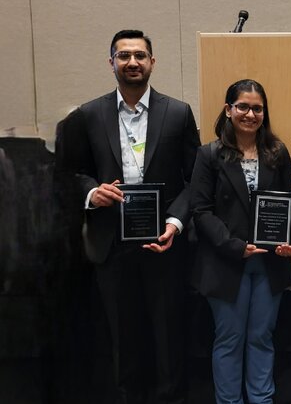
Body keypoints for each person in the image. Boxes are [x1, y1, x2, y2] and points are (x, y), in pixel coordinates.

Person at [62, 29, 200, 403]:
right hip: (112, 244)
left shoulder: (178, 112)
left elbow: (195, 180)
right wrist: (93, 192)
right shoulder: (88, 115)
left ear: (153, 62)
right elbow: (70, 173)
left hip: (164, 244)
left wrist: (174, 222)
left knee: (169, 341)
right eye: (124, 56)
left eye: (140, 55)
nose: (133, 62)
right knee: (123, 343)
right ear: (111, 63)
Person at [190, 79, 291, 404]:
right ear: (228, 109)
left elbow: (290, 201)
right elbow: (200, 210)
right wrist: (235, 246)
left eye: (257, 108)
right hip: (225, 263)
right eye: (243, 107)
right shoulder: (209, 154)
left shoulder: (277, 153)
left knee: (262, 338)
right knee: (230, 339)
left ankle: (262, 400)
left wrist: (287, 240)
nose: (250, 114)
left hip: (268, 263)